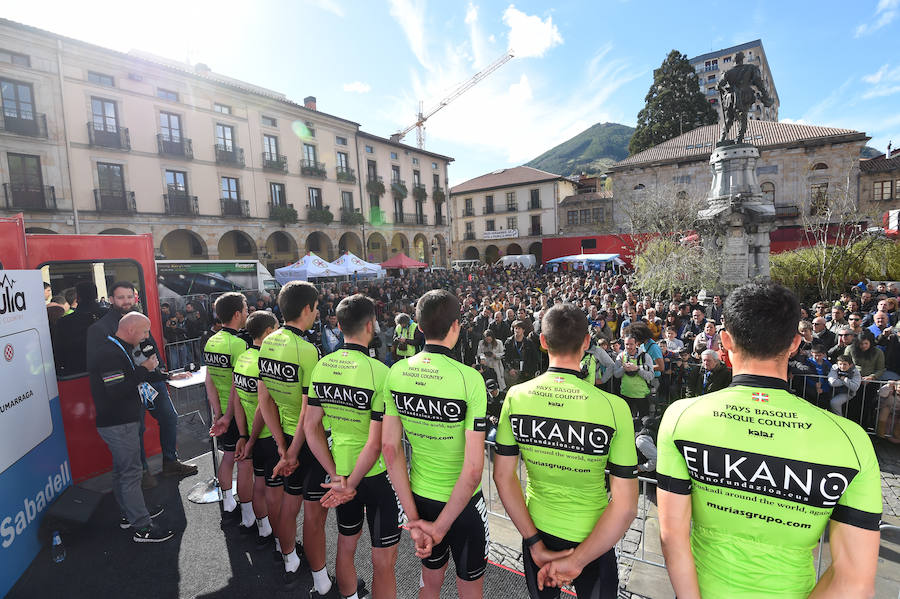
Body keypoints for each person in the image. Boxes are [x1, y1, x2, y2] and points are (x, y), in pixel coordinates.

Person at [657, 282, 882, 599]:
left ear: (725, 341)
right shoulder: (852, 441)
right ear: (794, 343)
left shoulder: (681, 417)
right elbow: (855, 582)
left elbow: (672, 538)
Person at [493, 303, 638, 598]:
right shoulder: (615, 408)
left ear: (543, 342)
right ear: (586, 342)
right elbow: (626, 506)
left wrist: (534, 543)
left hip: (538, 532)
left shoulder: (516, 396)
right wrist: (577, 560)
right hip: (594, 538)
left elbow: (503, 477)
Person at [382, 290, 489, 599]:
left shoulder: (397, 372)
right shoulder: (469, 379)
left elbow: (390, 449)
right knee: (470, 590)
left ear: (418, 325)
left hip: (420, 498)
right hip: (463, 506)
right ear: (456, 326)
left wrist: (413, 518)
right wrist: (441, 527)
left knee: (429, 586)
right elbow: (472, 470)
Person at [303, 294, 401, 599]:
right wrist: (350, 484)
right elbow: (375, 445)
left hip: (342, 472)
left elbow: (310, 426)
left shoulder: (322, 366)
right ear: (370, 325)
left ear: (339, 325)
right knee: (383, 560)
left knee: (346, 546)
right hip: (375, 477)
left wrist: (336, 476)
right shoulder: (380, 372)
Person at [88, 281, 198, 486]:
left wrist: (165, 375)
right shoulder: (100, 328)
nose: (126, 301)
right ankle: (142, 473)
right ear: (111, 300)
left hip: (151, 381)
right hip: (128, 389)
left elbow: (153, 348)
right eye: (121, 297)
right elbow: (105, 368)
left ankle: (170, 462)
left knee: (169, 418)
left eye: (129, 297)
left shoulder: (140, 318)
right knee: (135, 429)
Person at [259, 282, 331, 592]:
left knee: (290, 505)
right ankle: (322, 583)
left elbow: (265, 401)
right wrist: (294, 451)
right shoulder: (308, 350)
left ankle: (290, 561)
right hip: (309, 443)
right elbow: (308, 411)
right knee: (314, 516)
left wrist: (281, 445)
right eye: (316, 307)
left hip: (285, 438)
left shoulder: (267, 342)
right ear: (306, 309)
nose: (317, 313)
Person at [87, 312, 174, 543]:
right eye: (145, 331)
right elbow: (116, 390)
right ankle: (142, 526)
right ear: (131, 330)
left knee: (123, 471)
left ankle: (131, 514)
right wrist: (145, 368)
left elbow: (128, 380)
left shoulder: (116, 347)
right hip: (118, 423)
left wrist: (163, 375)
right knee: (131, 473)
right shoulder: (109, 352)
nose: (147, 337)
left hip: (121, 421)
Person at [231, 310, 279, 546]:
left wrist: (243, 434)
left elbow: (237, 399)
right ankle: (283, 545)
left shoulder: (242, 357)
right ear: (269, 331)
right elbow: (264, 406)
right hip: (267, 436)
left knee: (258, 483)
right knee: (272, 491)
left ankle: (263, 530)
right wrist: (249, 440)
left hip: (251, 432)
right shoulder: (266, 362)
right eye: (278, 328)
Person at [204, 292, 250, 519]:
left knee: (228, 456)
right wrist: (229, 416)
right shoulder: (239, 344)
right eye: (245, 307)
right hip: (238, 413)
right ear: (236, 314)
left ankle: (228, 501)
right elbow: (237, 385)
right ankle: (250, 513)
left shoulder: (211, 341)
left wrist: (218, 413)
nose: (248, 311)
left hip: (222, 411)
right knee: (243, 462)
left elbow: (209, 380)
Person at [614, 335, 655, 420]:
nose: (629, 347)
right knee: (625, 420)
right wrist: (624, 368)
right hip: (625, 394)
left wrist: (637, 369)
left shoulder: (645, 356)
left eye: (631, 344)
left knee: (643, 422)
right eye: (626, 344)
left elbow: (651, 376)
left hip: (642, 396)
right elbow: (616, 375)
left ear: (636, 344)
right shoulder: (620, 356)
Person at [503, 320, 541, 387]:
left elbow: (535, 358)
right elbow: (505, 357)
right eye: (516, 328)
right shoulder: (509, 342)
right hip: (513, 370)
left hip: (526, 372)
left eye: (519, 328)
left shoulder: (529, 343)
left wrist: (529, 371)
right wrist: (510, 369)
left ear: (523, 330)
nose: (517, 330)